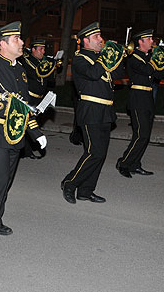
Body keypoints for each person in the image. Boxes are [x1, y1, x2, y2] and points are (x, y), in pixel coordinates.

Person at [0, 21, 46, 244]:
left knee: (7, 181)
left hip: (16, 133)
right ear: (2, 44)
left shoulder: (20, 70)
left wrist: (36, 133)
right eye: (17, 39)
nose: (22, 42)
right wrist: (7, 107)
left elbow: (25, 106)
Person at [61, 22, 123, 204]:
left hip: (105, 110)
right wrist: (106, 55)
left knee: (100, 154)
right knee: (93, 152)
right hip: (90, 110)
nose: (101, 40)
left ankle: (86, 191)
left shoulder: (100, 56)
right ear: (86, 40)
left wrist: (117, 55)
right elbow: (94, 73)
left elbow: (118, 74)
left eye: (100, 36)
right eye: (97, 37)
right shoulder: (80, 58)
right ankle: (70, 183)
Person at [116, 29, 164, 178]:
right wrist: (157, 58)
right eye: (149, 39)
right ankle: (124, 163)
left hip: (148, 99)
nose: (152, 41)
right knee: (140, 135)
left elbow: (159, 75)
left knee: (145, 136)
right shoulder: (134, 58)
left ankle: (135, 164)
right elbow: (147, 69)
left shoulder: (147, 56)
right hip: (137, 100)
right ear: (140, 42)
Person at [19, 38, 59, 159]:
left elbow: (51, 79)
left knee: (34, 124)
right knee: (27, 124)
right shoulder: (27, 61)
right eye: (40, 49)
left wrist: (56, 67)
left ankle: (29, 149)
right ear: (33, 50)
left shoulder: (44, 63)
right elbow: (37, 73)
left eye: (44, 49)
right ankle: (24, 151)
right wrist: (50, 65)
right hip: (30, 97)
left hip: (40, 98)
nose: (43, 52)